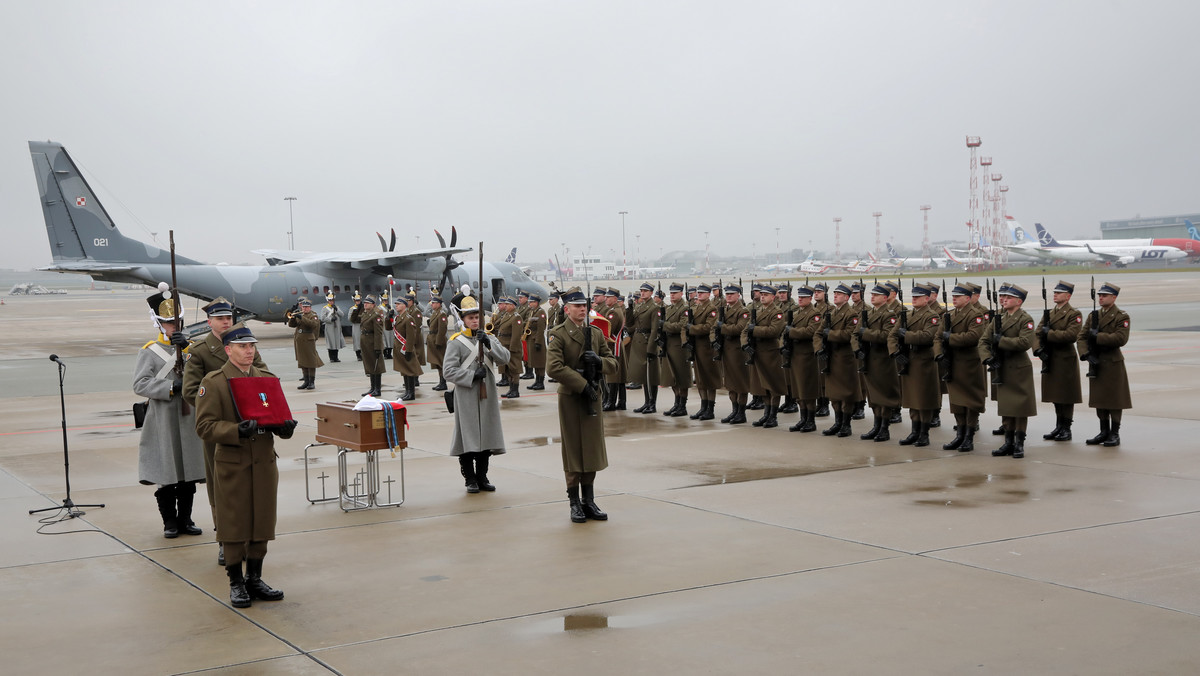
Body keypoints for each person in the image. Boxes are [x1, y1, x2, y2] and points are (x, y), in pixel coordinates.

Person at [195, 326, 297, 608]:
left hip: (263, 462)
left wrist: (285, 428)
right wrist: (236, 430)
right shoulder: (214, 382)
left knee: (262, 522)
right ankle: (236, 582)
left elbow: (277, 416)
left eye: (252, 346)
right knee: (234, 524)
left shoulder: (265, 379)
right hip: (233, 464)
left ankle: (254, 578)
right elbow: (204, 426)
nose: (249, 351)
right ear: (228, 350)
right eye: (242, 346)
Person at [182, 297, 271, 566]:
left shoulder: (246, 346)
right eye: (220, 319)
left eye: (228, 318)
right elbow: (191, 391)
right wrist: (225, 406)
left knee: (253, 488)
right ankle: (225, 539)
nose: (226, 322)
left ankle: (251, 539)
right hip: (222, 428)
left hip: (253, 428)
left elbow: (265, 375)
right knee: (221, 488)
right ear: (209, 322)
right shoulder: (200, 351)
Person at [134, 290, 205, 539]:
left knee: (187, 470)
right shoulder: (150, 350)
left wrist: (186, 348)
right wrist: (171, 387)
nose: (173, 325)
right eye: (168, 322)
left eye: (176, 321)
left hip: (188, 417)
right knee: (168, 471)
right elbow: (140, 384)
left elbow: (205, 372)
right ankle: (170, 522)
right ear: (159, 323)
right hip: (163, 417)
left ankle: (186, 519)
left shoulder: (192, 348)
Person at [546, 286, 618, 523]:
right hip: (572, 397)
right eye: (577, 306)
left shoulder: (595, 334)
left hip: (592, 396)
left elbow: (613, 362)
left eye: (584, 306)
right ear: (567, 309)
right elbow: (554, 367)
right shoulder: (558, 334)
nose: (582, 310)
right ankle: (574, 502)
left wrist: (598, 362)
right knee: (574, 450)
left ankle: (589, 500)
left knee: (592, 448)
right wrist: (581, 384)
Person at [442, 296, 510, 493]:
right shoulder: (456, 342)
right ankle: (470, 478)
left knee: (486, 434)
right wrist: (471, 375)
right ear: (463, 320)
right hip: (466, 394)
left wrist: (489, 343)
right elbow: (448, 371)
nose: (475, 320)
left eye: (477, 317)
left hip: (487, 393)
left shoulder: (490, 338)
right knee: (468, 436)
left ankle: (482, 476)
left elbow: (505, 358)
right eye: (471, 317)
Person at [980, 283, 1037, 459]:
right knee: (1005, 406)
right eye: (1003, 297)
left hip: (1018, 368)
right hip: (1001, 366)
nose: (1003, 300)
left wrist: (1002, 340)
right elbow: (983, 340)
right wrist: (987, 357)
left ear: (1018, 301)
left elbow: (1024, 343)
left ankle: (1019, 443)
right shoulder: (1000, 318)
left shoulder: (1025, 319)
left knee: (1019, 407)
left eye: (1009, 297)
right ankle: (1008, 442)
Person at [1077, 282, 1131, 447]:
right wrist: (1085, 353)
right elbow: (1081, 337)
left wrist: (1098, 336)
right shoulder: (1094, 316)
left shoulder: (1121, 316)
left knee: (1114, 400)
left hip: (1112, 363)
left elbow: (1121, 339)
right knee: (1099, 399)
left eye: (1104, 295)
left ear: (1113, 297)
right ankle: (1103, 431)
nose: (1100, 298)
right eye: (1099, 295)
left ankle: (1114, 433)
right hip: (1096, 361)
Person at [941, 283, 988, 452]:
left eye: (958, 296)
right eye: (953, 296)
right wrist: (939, 353)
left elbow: (973, 337)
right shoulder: (950, 314)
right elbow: (938, 337)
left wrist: (950, 338)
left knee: (970, 401)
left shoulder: (976, 315)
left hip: (968, 363)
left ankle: (969, 437)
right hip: (952, 362)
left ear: (967, 298)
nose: (954, 298)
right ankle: (959, 435)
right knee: (957, 402)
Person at [1035, 280, 1083, 441]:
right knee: (1055, 394)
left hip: (1065, 359)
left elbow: (1071, 335)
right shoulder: (1049, 313)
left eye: (1059, 292)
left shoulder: (1074, 314)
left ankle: (1067, 428)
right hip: (1050, 357)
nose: (1055, 294)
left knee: (1066, 395)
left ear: (1068, 296)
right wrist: (1037, 349)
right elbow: (1037, 333)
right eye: (1054, 292)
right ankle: (1058, 426)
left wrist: (1049, 334)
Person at [816, 283, 864, 437]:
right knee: (834, 394)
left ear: (846, 297)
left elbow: (849, 334)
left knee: (846, 394)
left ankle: (846, 424)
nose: (835, 295)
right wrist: (819, 349)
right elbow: (818, 333)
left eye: (839, 294)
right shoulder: (831, 313)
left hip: (844, 359)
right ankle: (837, 422)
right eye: (835, 293)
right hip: (830, 357)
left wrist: (829, 334)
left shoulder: (851, 314)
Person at [856, 284, 900, 441]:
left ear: (885, 297)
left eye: (876, 294)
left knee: (883, 395)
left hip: (882, 360)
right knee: (873, 395)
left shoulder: (889, 315)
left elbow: (887, 335)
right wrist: (857, 349)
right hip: (868, 358)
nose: (872, 297)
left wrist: (866, 334)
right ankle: (876, 426)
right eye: (872, 294)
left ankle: (884, 428)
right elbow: (855, 334)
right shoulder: (867, 313)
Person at [744, 283, 787, 428]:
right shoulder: (757, 311)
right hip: (757, 352)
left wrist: (754, 330)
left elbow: (774, 331)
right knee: (762, 386)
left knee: (773, 385)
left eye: (766, 295)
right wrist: (745, 343)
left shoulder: (777, 313)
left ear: (773, 297)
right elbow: (745, 330)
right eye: (761, 294)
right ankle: (766, 414)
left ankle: (773, 416)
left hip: (771, 353)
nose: (762, 297)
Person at [785, 285, 823, 432]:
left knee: (808, 390)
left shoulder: (814, 314)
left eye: (803, 297)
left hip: (807, 357)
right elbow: (785, 331)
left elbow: (810, 331)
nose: (800, 299)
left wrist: (792, 332)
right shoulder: (795, 314)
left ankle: (810, 421)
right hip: (795, 355)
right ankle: (803, 419)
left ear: (810, 298)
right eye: (799, 297)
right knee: (798, 390)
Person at [661, 283, 694, 417]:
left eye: (675, 292)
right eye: (671, 292)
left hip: (679, 347)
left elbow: (682, 325)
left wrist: (665, 325)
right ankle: (677, 403)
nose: (672, 295)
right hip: (669, 345)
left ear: (681, 293)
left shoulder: (685, 308)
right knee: (672, 377)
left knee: (681, 377)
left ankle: (682, 405)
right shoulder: (669, 308)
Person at [628, 282, 661, 413]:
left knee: (651, 375)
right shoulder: (640, 305)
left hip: (648, 342)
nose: (642, 293)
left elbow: (655, 329)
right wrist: (629, 308)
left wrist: (651, 348)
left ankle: (652, 403)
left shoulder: (654, 307)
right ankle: (646, 402)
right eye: (641, 291)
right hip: (638, 342)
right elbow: (631, 322)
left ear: (651, 293)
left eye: (645, 291)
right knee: (643, 375)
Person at [351, 294, 387, 397]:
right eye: (365, 303)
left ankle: (377, 389)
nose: (365, 304)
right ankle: (372, 388)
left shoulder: (376, 314)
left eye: (368, 303)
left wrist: (378, 348)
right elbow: (353, 319)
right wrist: (358, 308)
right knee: (369, 365)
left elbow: (378, 332)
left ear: (373, 304)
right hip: (365, 342)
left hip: (372, 342)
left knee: (376, 366)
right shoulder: (366, 313)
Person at [389, 296, 423, 401]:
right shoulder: (398, 318)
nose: (396, 306)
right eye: (396, 304)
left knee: (409, 371)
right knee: (404, 370)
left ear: (404, 305)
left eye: (398, 304)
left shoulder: (408, 318)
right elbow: (388, 327)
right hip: (399, 348)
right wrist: (388, 317)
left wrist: (408, 350)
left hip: (405, 348)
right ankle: (407, 392)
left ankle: (411, 393)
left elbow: (411, 336)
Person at [287, 297, 324, 390]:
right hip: (299, 340)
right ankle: (306, 381)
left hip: (308, 340)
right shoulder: (300, 314)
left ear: (310, 307)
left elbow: (313, 325)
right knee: (302, 361)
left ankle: (312, 382)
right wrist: (293, 318)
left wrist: (302, 318)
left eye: (307, 307)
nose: (304, 309)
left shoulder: (313, 315)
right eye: (303, 307)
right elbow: (291, 325)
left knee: (310, 361)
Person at [526, 293, 549, 391]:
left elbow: (541, 329)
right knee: (534, 362)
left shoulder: (541, 312)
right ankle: (537, 381)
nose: (530, 304)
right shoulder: (532, 312)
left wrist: (538, 342)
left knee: (540, 363)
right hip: (531, 340)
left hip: (537, 341)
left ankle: (541, 382)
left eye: (531, 302)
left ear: (536, 303)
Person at [427, 295, 450, 391]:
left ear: (439, 304)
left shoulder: (441, 314)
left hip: (438, 340)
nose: (432, 304)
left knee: (441, 362)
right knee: (437, 363)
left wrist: (438, 341)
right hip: (433, 339)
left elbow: (442, 329)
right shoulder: (435, 313)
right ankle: (441, 382)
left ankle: (443, 383)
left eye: (434, 303)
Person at [319, 292, 346, 363]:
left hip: (337, 327)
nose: (331, 302)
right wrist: (330, 320)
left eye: (332, 300)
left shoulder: (337, 307)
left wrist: (336, 309)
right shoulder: (325, 308)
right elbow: (323, 318)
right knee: (331, 342)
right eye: (330, 300)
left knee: (336, 342)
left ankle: (336, 357)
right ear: (328, 301)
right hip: (329, 327)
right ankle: (331, 357)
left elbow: (342, 315)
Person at [350, 290, 364, 361]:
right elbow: (350, 319)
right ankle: (358, 355)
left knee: (363, 340)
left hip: (363, 326)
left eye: (359, 300)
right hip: (356, 326)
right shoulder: (352, 309)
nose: (358, 302)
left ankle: (363, 354)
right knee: (357, 340)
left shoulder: (363, 308)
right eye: (356, 300)